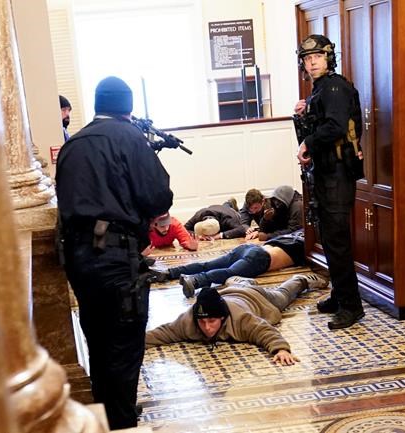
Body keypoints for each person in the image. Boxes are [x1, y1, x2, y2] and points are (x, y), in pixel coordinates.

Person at [55, 76, 173, 429]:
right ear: (128, 107)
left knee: (97, 337)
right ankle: (121, 423)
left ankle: (107, 415)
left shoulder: (73, 144)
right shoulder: (129, 138)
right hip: (116, 256)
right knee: (124, 343)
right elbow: (157, 197)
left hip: (77, 258)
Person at [294, 34, 365, 330]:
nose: (312, 63)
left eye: (318, 57)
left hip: (337, 175)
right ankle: (339, 296)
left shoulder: (334, 87)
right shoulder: (319, 90)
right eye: (308, 59)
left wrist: (308, 141)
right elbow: (320, 124)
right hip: (325, 174)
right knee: (330, 239)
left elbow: (335, 127)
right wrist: (302, 115)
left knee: (337, 242)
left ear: (328, 58)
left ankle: (351, 307)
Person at [146, 273, 328, 364]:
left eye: (212, 321)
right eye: (202, 322)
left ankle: (302, 279)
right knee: (237, 282)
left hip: (256, 298)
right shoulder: (188, 320)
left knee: (283, 295)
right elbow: (164, 332)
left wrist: (280, 350)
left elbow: (264, 330)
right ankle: (237, 280)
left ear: (223, 318)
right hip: (229, 293)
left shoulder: (242, 319)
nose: (207, 327)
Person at [158, 229, 306, 298]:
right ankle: (196, 280)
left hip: (249, 248)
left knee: (208, 264)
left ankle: (169, 272)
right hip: (261, 257)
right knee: (230, 272)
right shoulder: (307, 245)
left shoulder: (291, 236)